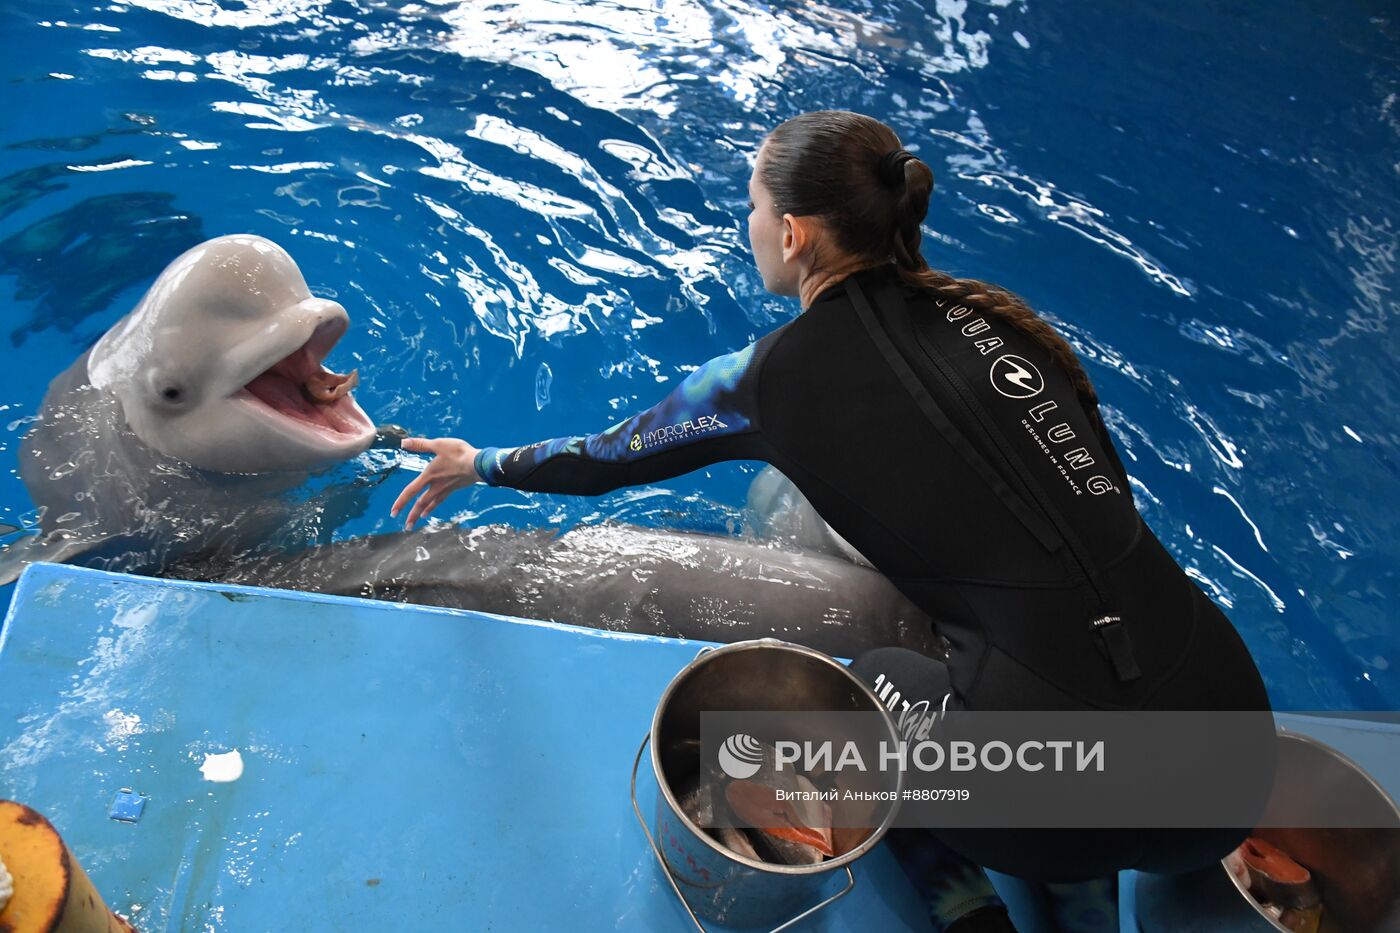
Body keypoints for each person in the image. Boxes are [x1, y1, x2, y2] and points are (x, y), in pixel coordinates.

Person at [392, 111, 1272, 931]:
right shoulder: (996, 322)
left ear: (792, 234)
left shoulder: (772, 376)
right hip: (1233, 753)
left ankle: (977, 912)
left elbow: (608, 456)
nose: (746, 224)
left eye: (751, 205)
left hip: (1046, 800)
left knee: (850, 688)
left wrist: (481, 463)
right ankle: (1085, 900)